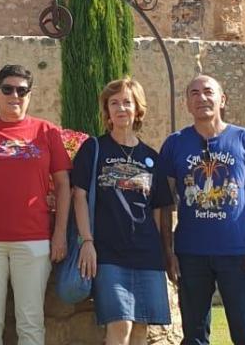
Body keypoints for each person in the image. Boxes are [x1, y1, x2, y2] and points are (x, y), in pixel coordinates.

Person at [0, 64, 72, 345]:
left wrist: (59, 233)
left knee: (31, 322)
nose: (15, 95)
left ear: (29, 96)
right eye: (8, 89)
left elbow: (63, 185)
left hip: (33, 241)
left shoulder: (47, 132)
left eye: (22, 90)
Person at [156, 75, 245, 345]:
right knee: (194, 337)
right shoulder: (175, 144)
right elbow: (165, 203)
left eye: (208, 92)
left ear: (222, 99)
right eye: (194, 93)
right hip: (190, 255)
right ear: (187, 103)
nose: (201, 98)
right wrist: (168, 252)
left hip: (239, 254)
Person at [71, 78, 172, 345]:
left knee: (140, 330)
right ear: (107, 111)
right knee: (120, 326)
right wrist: (87, 241)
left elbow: (159, 209)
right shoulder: (94, 149)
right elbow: (79, 196)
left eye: (127, 102)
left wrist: (166, 254)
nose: (120, 108)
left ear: (137, 109)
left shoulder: (151, 156)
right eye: (113, 103)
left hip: (147, 255)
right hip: (108, 254)